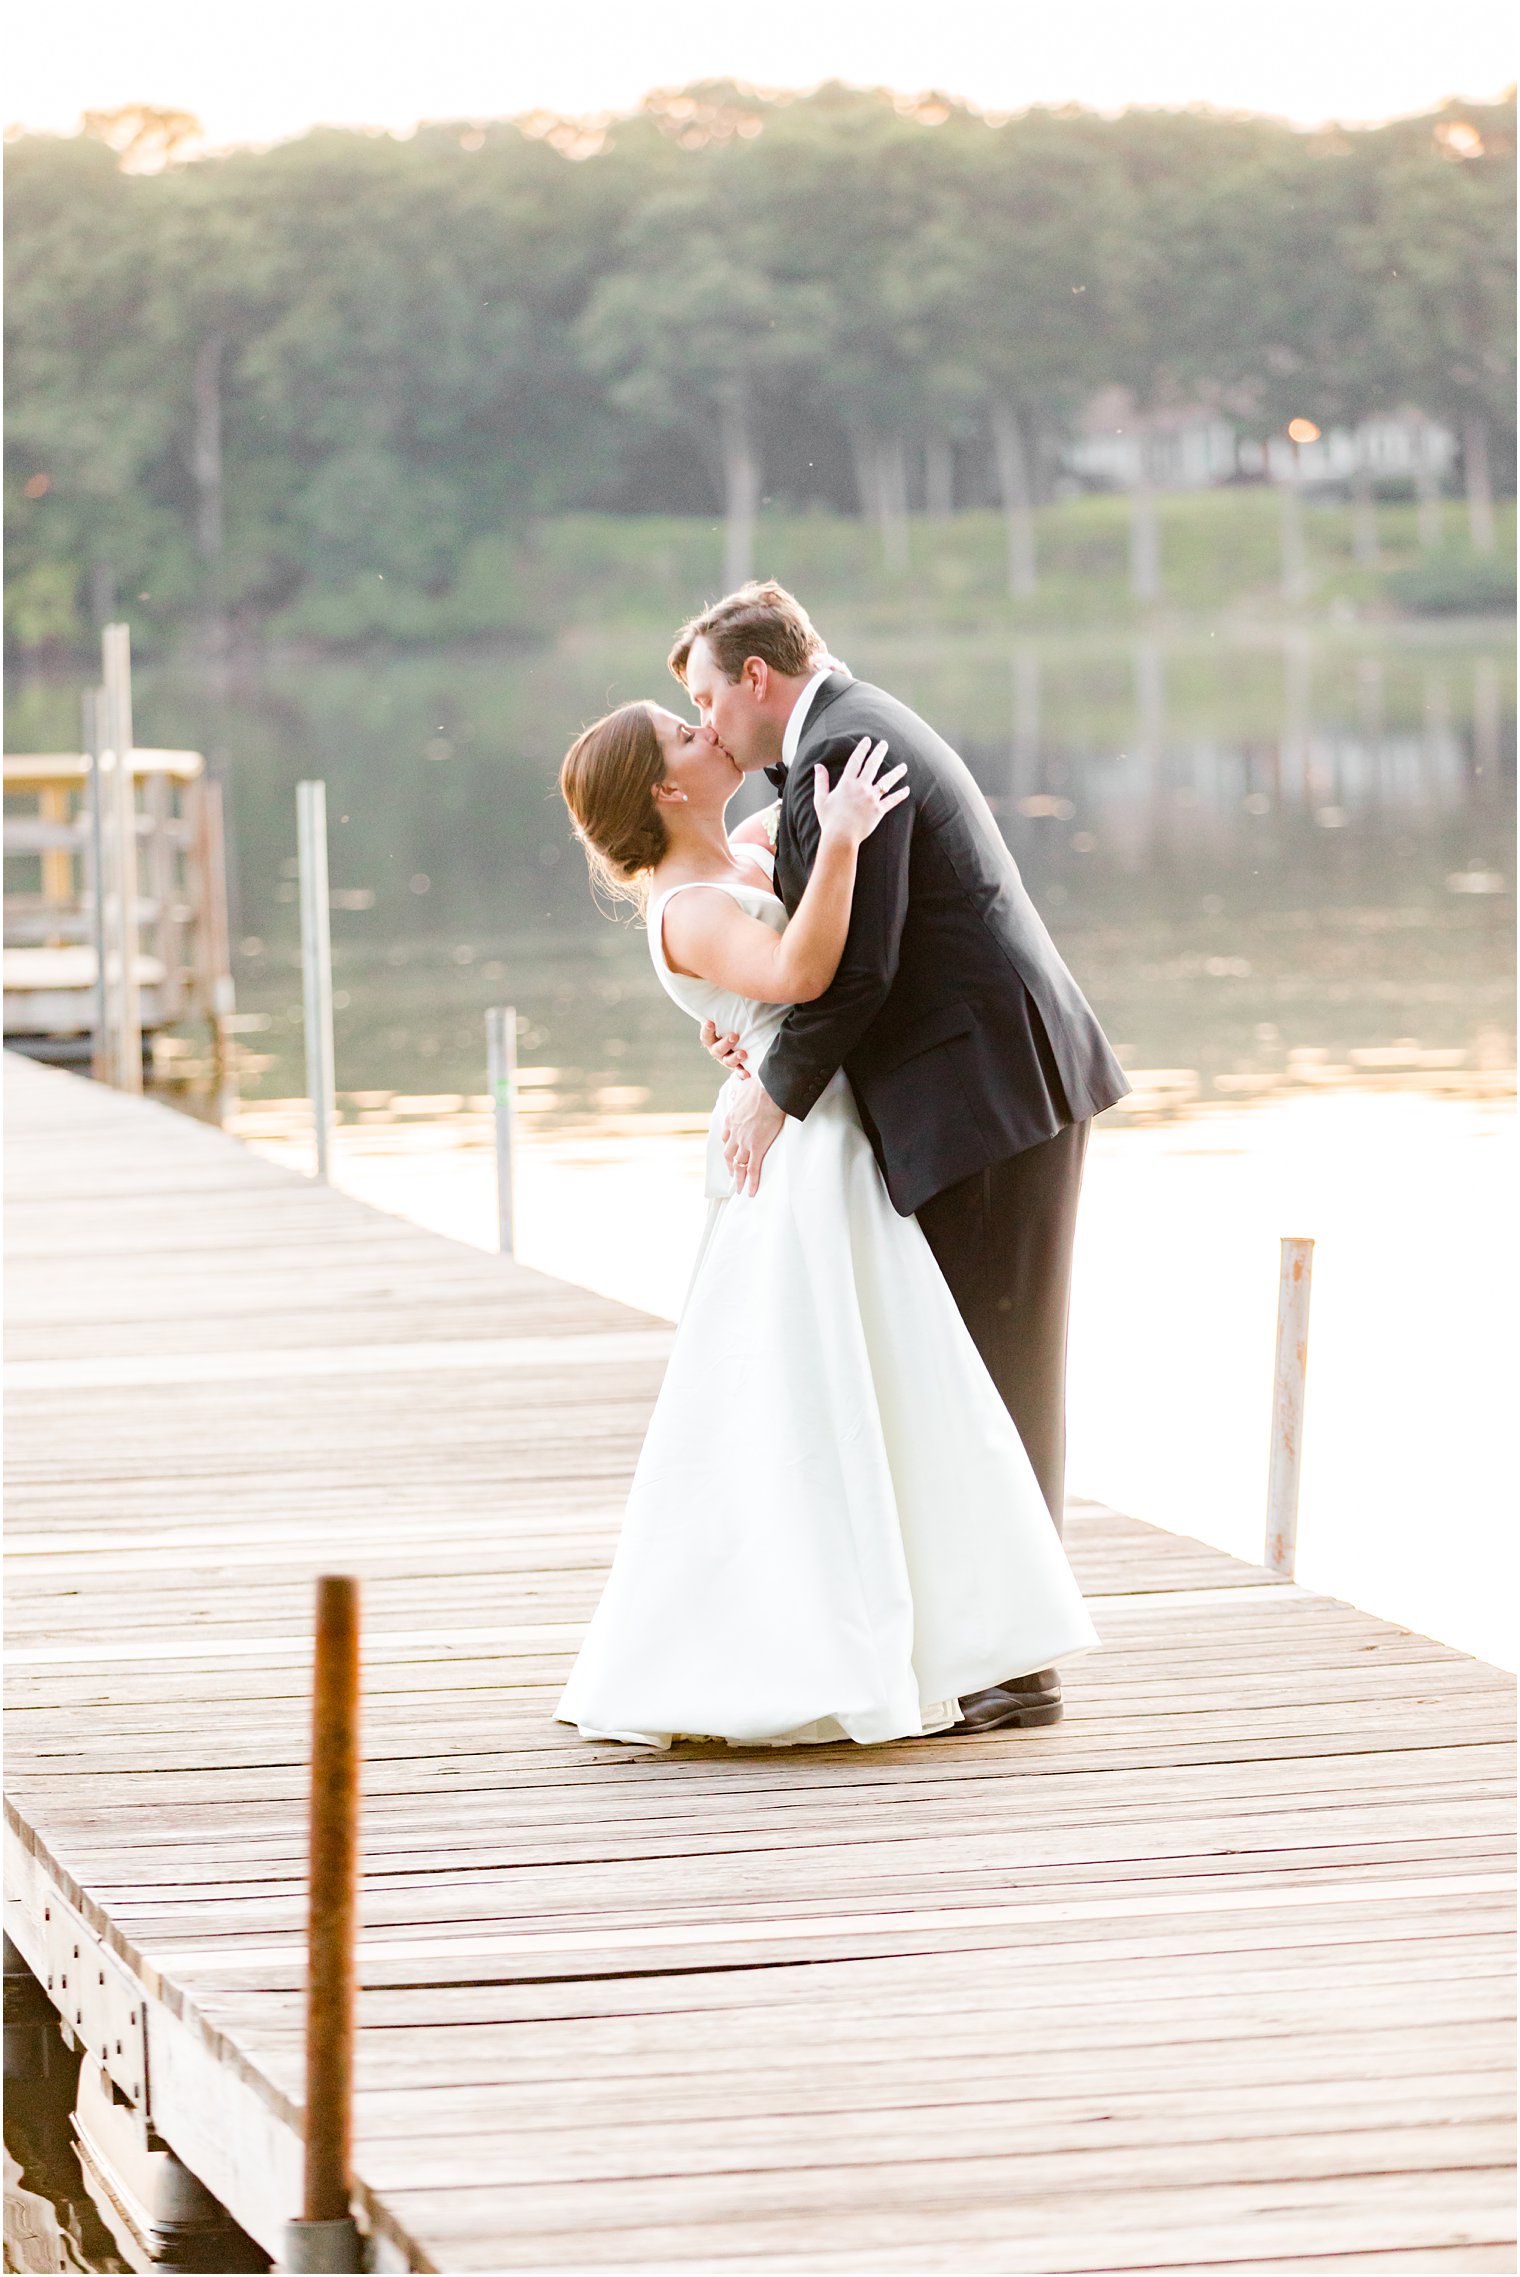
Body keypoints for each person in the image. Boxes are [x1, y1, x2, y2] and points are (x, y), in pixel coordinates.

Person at [554, 697, 1099, 1750]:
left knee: (891, 1385)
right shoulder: (688, 905)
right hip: (801, 1156)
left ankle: (952, 1637)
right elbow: (802, 974)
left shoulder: (734, 852)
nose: (704, 731)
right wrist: (844, 839)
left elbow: (783, 909)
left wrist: (818, 829)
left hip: (829, 1133)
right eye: (682, 734)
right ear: (664, 790)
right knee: (819, 1397)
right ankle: (799, 1644)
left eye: (698, 712)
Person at [675, 581, 1130, 1734]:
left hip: (990, 1089)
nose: (708, 723)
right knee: (968, 1365)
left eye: (705, 697)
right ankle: (987, 1641)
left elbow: (860, 970)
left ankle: (1017, 1663)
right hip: (966, 1086)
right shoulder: (837, 740)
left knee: (996, 1366)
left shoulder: (846, 749)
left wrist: (771, 1097)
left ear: (757, 679)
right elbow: (814, 949)